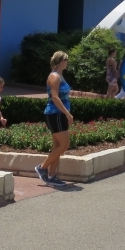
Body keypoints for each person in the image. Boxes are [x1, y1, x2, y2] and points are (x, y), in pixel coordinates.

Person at [35, 51, 74, 187]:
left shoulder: (60, 76)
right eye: (66, 60)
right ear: (60, 61)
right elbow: (55, 97)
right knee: (64, 145)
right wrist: (67, 114)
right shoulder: (54, 76)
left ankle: (51, 176)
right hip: (55, 114)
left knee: (57, 146)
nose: (67, 62)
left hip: (59, 114)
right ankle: (42, 167)